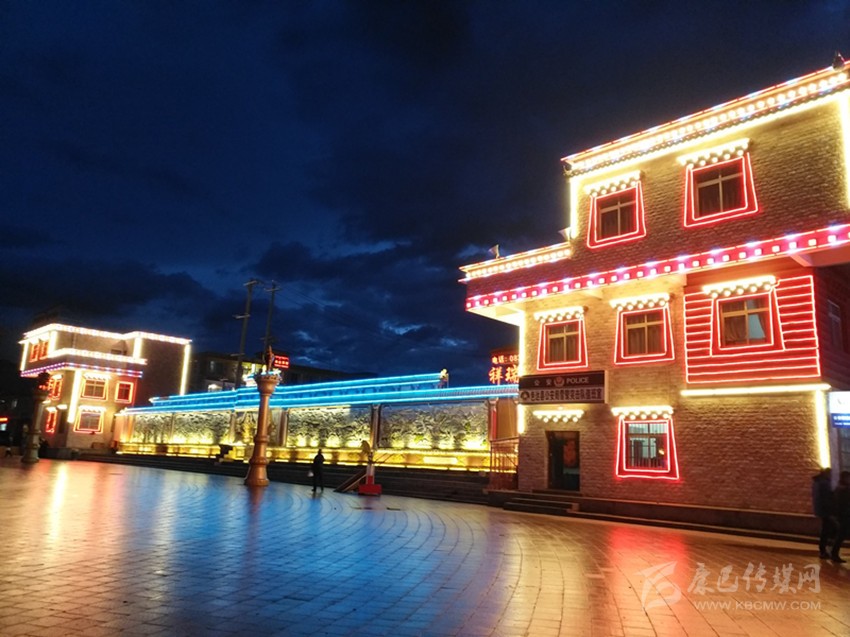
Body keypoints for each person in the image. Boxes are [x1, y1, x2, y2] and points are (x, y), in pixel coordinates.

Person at [812, 468, 835, 559]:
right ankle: (825, 550)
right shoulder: (825, 483)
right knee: (828, 530)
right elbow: (827, 498)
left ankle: (824, 550)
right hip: (826, 511)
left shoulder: (817, 482)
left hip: (821, 510)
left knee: (825, 530)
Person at [830, 470, 850, 564]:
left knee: (841, 535)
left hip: (841, 515)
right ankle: (834, 554)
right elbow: (844, 503)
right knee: (841, 535)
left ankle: (834, 553)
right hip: (844, 515)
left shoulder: (839, 488)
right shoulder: (844, 489)